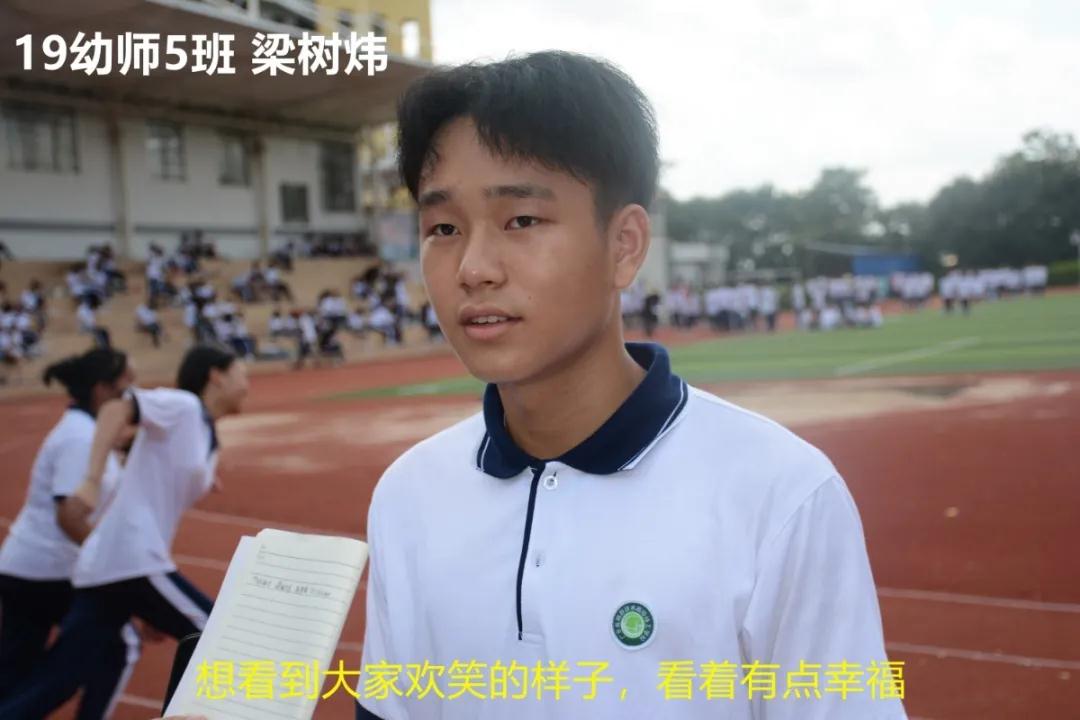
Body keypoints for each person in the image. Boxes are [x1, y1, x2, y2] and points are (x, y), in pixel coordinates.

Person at [350, 51, 905, 720]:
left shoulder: (779, 494)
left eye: (521, 220)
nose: (473, 267)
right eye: (443, 228)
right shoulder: (409, 495)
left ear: (625, 245)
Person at [0, 345, 249, 720]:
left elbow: (154, 460)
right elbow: (117, 408)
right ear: (216, 376)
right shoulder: (183, 406)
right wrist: (90, 480)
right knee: (213, 635)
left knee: (59, 678)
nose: (247, 385)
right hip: (130, 559)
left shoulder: (203, 432)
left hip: (112, 567)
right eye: (241, 374)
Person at [0, 348, 140, 718]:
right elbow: (70, 516)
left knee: (15, 669)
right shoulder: (80, 438)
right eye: (126, 384)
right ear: (102, 389)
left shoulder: (83, 430)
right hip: (49, 572)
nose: (133, 393)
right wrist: (111, 566)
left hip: (25, 567)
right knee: (118, 645)